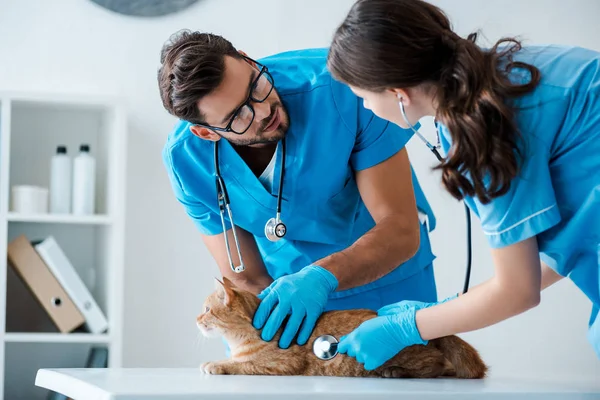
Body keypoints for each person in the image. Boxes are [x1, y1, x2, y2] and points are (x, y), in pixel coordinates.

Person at [326, 0, 600, 370]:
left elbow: (518, 291)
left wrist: (407, 328)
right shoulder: (506, 75)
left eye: (363, 98)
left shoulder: (484, 129)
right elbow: (560, 250)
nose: (368, 109)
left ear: (397, 93)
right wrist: (450, 307)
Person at [157, 30, 440, 350]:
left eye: (256, 86)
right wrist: (273, 344)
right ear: (206, 133)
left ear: (248, 59)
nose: (263, 111)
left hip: (388, 284)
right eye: (238, 117)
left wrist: (320, 277)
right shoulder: (187, 160)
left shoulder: (342, 87)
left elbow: (400, 229)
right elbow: (244, 276)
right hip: (286, 305)